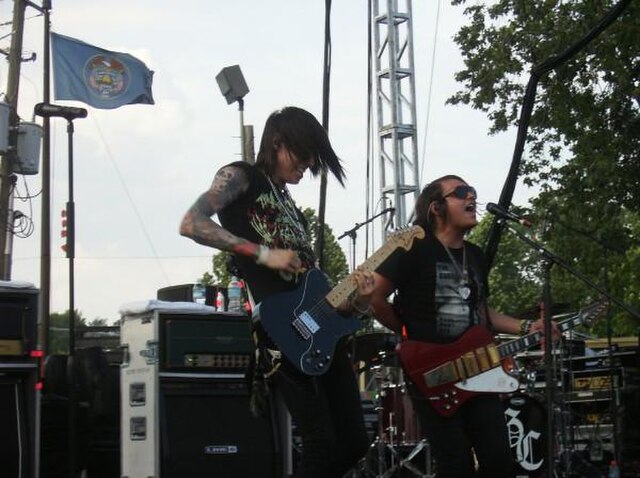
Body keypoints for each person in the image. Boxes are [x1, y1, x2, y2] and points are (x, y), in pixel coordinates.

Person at [180, 106, 371, 477]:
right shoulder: (241, 176)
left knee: (353, 442)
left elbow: (311, 283)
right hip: (280, 328)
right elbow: (192, 223)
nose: (307, 166)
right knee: (320, 444)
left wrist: (355, 301)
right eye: (303, 156)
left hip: (317, 326)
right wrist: (264, 254)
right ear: (278, 143)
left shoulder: (289, 205)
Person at [369, 174, 558, 478]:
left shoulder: (475, 256)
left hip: (477, 369)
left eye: (472, 192)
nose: (471, 197)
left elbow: (483, 313)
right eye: (461, 193)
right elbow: (376, 297)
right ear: (436, 207)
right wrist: (409, 334)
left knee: (497, 460)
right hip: (432, 372)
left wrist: (528, 328)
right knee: (455, 463)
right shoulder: (412, 248)